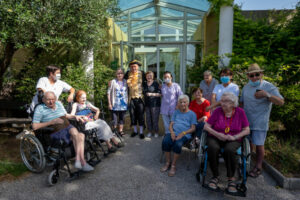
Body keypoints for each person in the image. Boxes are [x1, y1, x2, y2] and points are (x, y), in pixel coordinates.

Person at [240, 63, 284, 178]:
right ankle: (247, 163)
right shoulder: (246, 87)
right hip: (247, 121)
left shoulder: (268, 86)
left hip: (260, 121)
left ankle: (258, 166)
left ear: (261, 74)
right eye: (251, 75)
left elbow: (281, 102)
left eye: (256, 74)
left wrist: (267, 95)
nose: (254, 77)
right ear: (248, 76)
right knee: (248, 144)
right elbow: (242, 103)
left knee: (259, 145)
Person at [32, 91, 94, 172]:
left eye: (53, 99)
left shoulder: (58, 104)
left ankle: (79, 161)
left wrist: (76, 116)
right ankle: (82, 162)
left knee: (80, 135)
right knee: (79, 135)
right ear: (43, 100)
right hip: (55, 130)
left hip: (67, 125)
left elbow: (66, 115)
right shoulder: (40, 108)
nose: (51, 101)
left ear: (56, 99)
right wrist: (52, 122)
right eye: (48, 100)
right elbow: (34, 126)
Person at [203, 92, 250, 194]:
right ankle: (215, 176)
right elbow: (206, 126)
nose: (222, 103)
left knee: (229, 150)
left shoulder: (240, 112)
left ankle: (231, 178)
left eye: (226, 101)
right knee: (212, 147)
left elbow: (247, 130)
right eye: (222, 101)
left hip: (233, 138)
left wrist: (234, 137)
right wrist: (218, 134)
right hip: (216, 137)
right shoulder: (217, 111)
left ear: (233, 103)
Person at [160, 95, 197, 177]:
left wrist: (183, 133)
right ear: (178, 103)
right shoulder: (176, 112)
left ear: (188, 103)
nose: (182, 104)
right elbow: (171, 124)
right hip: (174, 132)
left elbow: (193, 128)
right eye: (180, 102)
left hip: (185, 135)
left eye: (184, 102)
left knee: (178, 144)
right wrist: (172, 132)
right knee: (166, 141)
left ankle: (173, 165)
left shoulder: (192, 114)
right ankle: (168, 162)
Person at [124, 60, 147, 139]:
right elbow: (122, 81)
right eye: (132, 67)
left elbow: (149, 80)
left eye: (135, 66)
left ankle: (141, 132)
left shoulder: (142, 73)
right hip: (131, 98)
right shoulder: (127, 73)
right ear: (130, 67)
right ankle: (135, 131)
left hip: (140, 98)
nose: (134, 68)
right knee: (132, 115)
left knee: (140, 115)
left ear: (138, 67)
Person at [107, 68, 128, 136]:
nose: (120, 74)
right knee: (114, 119)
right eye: (118, 73)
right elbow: (108, 93)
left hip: (123, 104)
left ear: (123, 74)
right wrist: (109, 103)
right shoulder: (112, 81)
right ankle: (114, 131)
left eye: (121, 73)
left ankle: (120, 131)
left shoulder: (126, 81)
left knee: (122, 118)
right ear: (116, 74)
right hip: (114, 104)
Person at [143, 71, 161, 138]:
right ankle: (150, 131)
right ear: (146, 76)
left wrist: (151, 94)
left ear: (153, 76)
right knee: (148, 119)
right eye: (148, 75)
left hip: (155, 105)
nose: (149, 77)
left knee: (155, 119)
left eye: (150, 75)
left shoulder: (156, 83)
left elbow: (160, 94)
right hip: (147, 104)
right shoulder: (144, 84)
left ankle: (156, 132)